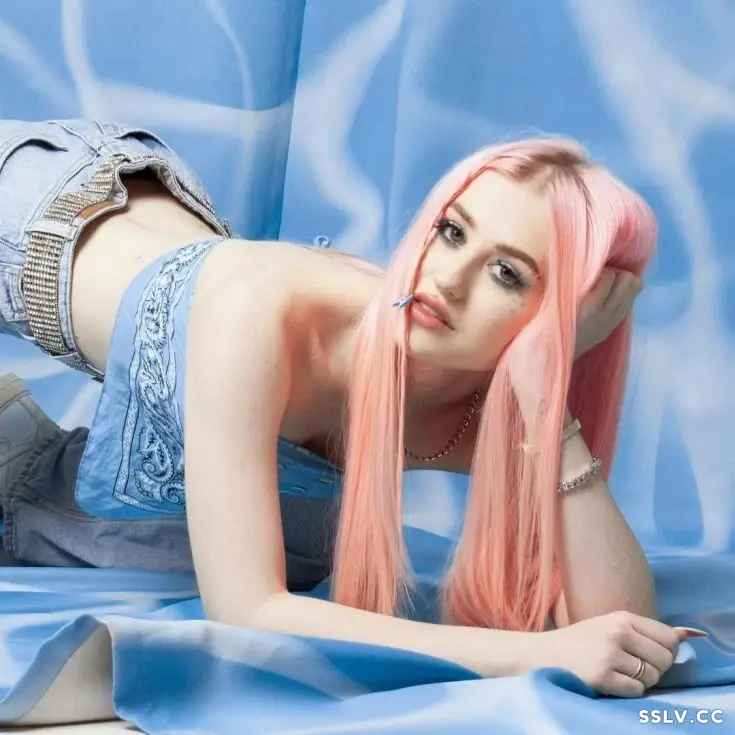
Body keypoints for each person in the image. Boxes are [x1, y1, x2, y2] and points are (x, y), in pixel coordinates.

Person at [0, 118, 692, 698]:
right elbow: (246, 609)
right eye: (452, 232)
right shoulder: (257, 312)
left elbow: (621, 630)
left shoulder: (489, 409)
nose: (446, 279)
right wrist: (530, 654)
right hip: (32, 208)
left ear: (560, 320)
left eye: (506, 274)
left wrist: (551, 406)